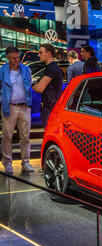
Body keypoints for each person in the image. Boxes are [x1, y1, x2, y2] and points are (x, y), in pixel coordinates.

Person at [0, 46, 34, 174]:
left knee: (25, 137)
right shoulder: (2, 71)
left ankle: (26, 162)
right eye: (14, 58)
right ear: (8, 58)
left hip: (24, 106)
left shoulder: (26, 70)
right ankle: (8, 163)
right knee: (7, 136)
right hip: (10, 107)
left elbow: (29, 85)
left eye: (18, 57)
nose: (17, 60)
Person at [32, 43, 63, 128]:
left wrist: (33, 86)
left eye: (40, 52)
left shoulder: (52, 68)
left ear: (48, 54)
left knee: (51, 133)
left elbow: (39, 88)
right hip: (50, 107)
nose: (38, 55)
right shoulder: (49, 68)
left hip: (51, 108)